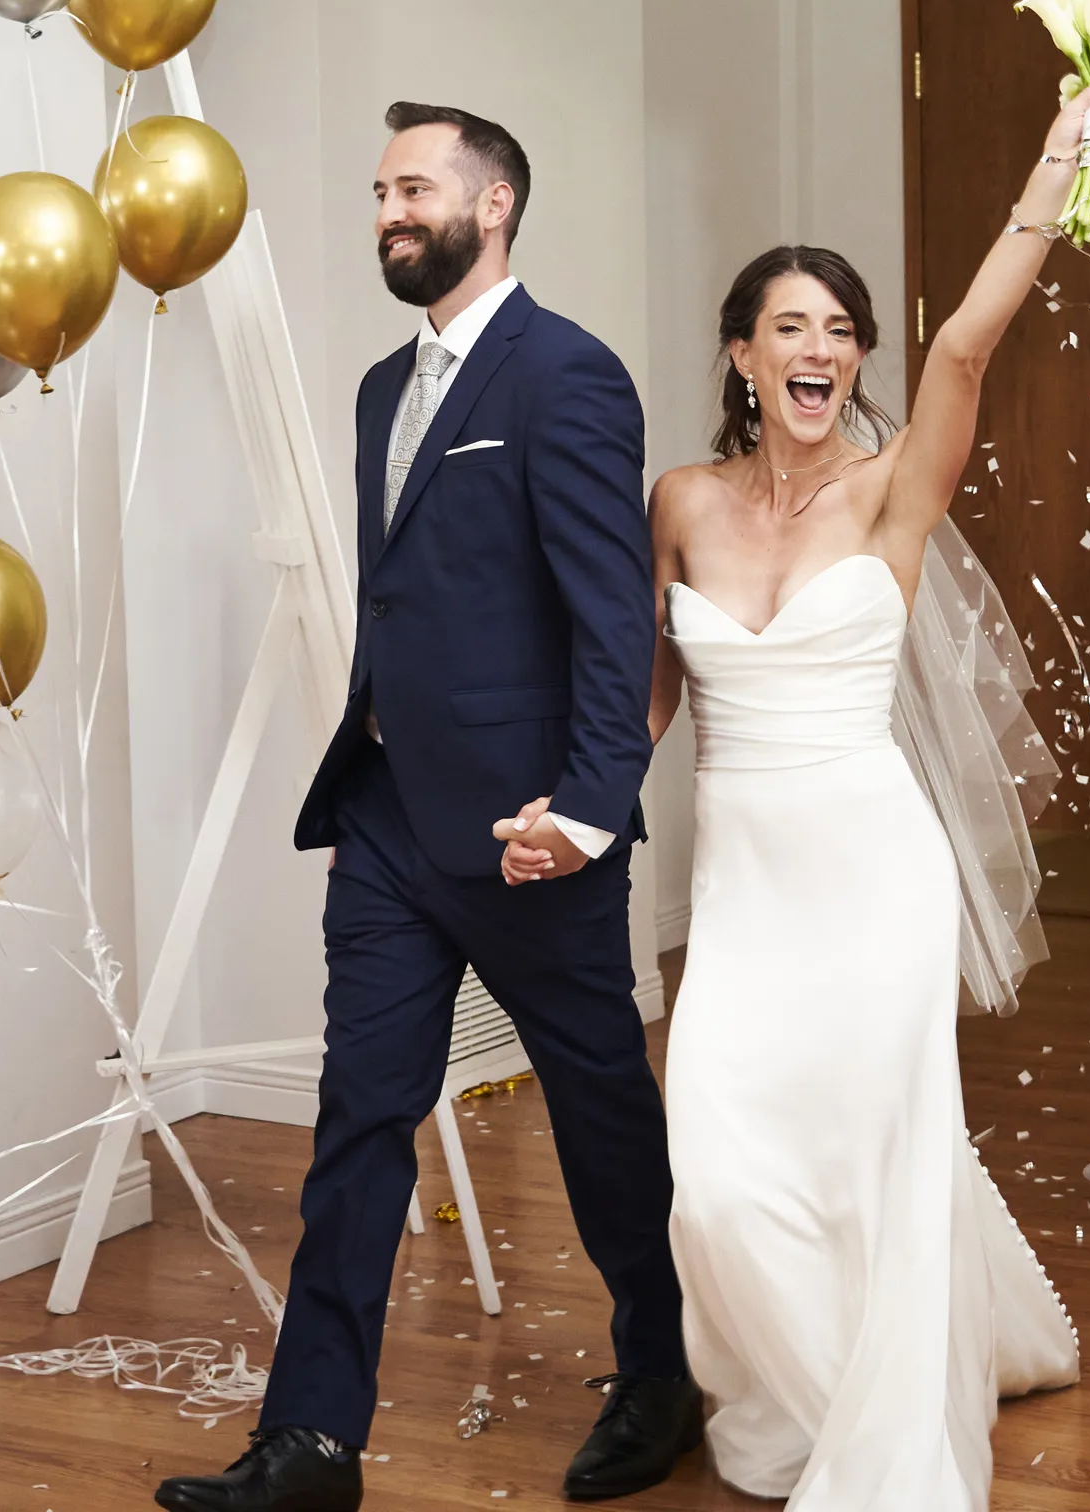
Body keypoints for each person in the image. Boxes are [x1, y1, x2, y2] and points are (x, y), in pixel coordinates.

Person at [155, 102, 700, 1512]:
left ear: (494, 204)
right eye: (380, 193)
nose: (389, 213)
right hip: (387, 819)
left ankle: (660, 1372)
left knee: (598, 1108)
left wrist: (589, 809)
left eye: (414, 189)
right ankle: (311, 1441)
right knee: (359, 1116)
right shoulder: (377, 391)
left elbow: (611, 616)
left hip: (531, 833)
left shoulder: (567, 374)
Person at [638, 76, 1090, 1510]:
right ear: (742, 354)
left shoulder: (893, 489)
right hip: (742, 893)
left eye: (841, 331)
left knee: (873, 1154)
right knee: (719, 1179)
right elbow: (648, 695)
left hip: (873, 879)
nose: (821, 350)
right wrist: (577, 805)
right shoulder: (680, 500)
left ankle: (887, 1423)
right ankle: (817, 1379)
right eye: (790, 327)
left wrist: (1057, 157)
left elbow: (968, 343)